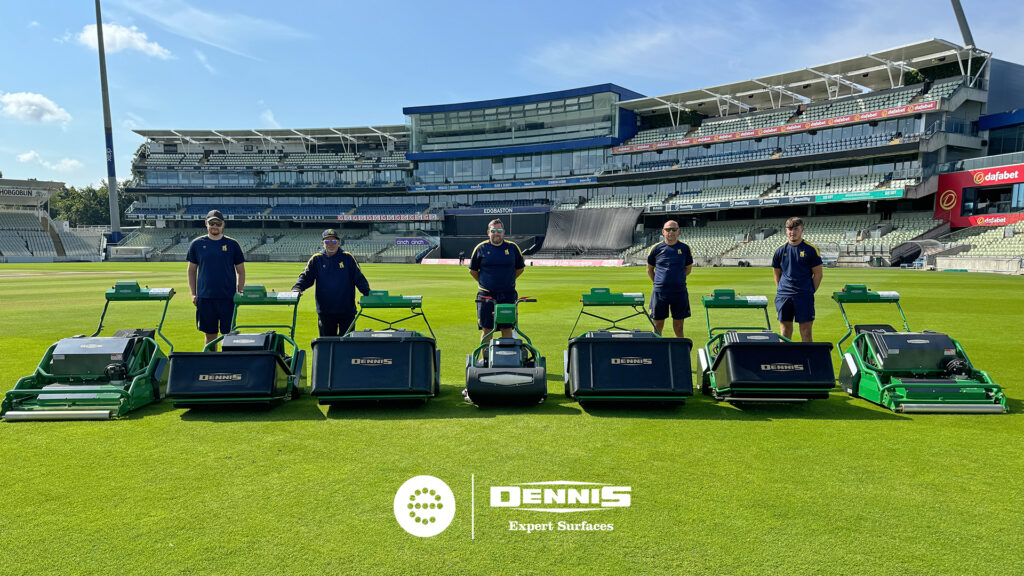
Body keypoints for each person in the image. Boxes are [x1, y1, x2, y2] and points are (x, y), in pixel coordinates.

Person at [292, 229, 371, 337]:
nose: (331, 244)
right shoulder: (316, 259)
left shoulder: (348, 257)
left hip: (347, 311)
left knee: (347, 345)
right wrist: (297, 288)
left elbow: (359, 278)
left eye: (334, 241)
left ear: (339, 243)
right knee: (327, 344)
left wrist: (368, 294)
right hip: (325, 312)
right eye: (327, 241)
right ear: (322, 243)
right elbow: (306, 277)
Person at [186, 210, 245, 348]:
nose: (215, 226)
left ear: (223, 225)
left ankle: (227, 366)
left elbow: (241, 271)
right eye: (212, 223)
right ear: (206, 223)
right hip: (206, 298)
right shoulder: (197, 244)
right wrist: (193, 293)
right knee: (210, 336)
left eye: (218, 223)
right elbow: (191, 270)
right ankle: (210, 365)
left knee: (229, 336)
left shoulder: (232, 244)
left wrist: (240, 291)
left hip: (228, 298)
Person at [469, 219, 524, 342]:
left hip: (507, 295)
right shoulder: (480, 248)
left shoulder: (513, 248)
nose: (496, 233)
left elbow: (520, 269)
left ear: (503, 232)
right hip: (486, 296)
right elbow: (473, 271)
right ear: (488, 232)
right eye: (493, 231)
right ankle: (485, 360)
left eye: (499, 230)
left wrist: (508, 280)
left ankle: (508, 359)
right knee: (487, 329)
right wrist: (485, 283)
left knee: (507, 328)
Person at [772, 216, 823, 342]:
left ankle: (807, 360)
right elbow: (776, 273)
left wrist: (810, 291)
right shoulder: (779, 251)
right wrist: (782, 289)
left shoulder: (811, 250)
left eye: (795, 229)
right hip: (784, 296)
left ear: (802, 230)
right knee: (785, 332)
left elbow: (818, 275)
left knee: (806, 332)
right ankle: (784, 361)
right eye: (789, 229)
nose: (792, 232)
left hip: (804, 295)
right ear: (786, 230)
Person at [646, 220, 693, 337]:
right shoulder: (655, 248)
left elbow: (688, 269)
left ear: (678, 231)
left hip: (679, 291)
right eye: (667, 229)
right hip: (660, 292)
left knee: (679, 326)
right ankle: (656, 353)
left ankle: (679, 353)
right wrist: (659, 283)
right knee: (657, 326)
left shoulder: (685, 248)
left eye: (673, 229)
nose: (670, 232)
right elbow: (649, 269)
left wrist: (676, 280)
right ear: (663, 231)